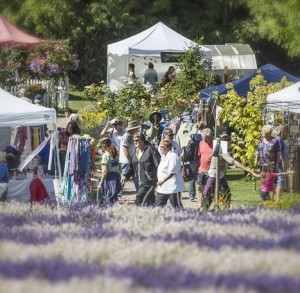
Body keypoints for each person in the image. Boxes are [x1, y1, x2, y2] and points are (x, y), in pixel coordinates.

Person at [122, 133, 161, 206]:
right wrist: (125, 176)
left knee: (139, 199)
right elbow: (131, 168)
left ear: (143, 140)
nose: (135, 142)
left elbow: (159, 165)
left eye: (137, 140)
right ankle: (155, 215)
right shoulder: (135, 152)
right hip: (140, 182)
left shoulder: (151, 150)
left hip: (149, 182)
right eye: (134, 141)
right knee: (150, 202)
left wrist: (159, 180)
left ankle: (139, 216)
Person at [156, 139, 185, 208]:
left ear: (168, 147)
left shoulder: (173, 156)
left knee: (176, 207)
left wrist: (162, 181)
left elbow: (172, 172)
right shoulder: (163, 157)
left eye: (163, 147)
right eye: (160, 147)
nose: (161, 148)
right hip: (162, 188)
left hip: (173, 188)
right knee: (158, 206)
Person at [97, 137, 121, 204]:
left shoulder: (105, 155)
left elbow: (105, 171)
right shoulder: (115, 153)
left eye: (100, 146)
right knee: (114, 199)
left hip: (109, 178)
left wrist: (100, 183)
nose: (100, 148)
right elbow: (119, 167)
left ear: (103, 146)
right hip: (116, 177)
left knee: (109, 199)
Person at [119, 120, 140, 194]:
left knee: (136, 177)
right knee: (124, 177)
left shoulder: (133, 135)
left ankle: (139, 193)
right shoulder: (126, 136)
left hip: (132, 160)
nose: (137, 129)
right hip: (126, 161)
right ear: (133, 129)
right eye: (136, 128)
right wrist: (130, 160)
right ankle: (118, 194)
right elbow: (125, 150)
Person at [196, 128, 214, 209]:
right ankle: (199, 204)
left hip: (211, 171)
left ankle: (206, 205)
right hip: (201, 169)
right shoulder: (201, 143)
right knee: (199, 188)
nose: (204, 140)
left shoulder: (215, 143)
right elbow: (200, 154)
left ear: (210, 137)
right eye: (203, 138)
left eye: (206, 138)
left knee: (208, 190)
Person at [275, 124, 289, 202]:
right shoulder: (279, 139)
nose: (287, 133)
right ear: (282, 131)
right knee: (280, 180)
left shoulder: (281, 139)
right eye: (286, 131)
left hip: (282, 163)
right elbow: (279, 152)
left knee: (282, 180)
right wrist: (283, 161)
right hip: (281, 164)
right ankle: (278, 200)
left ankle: (280, 199)